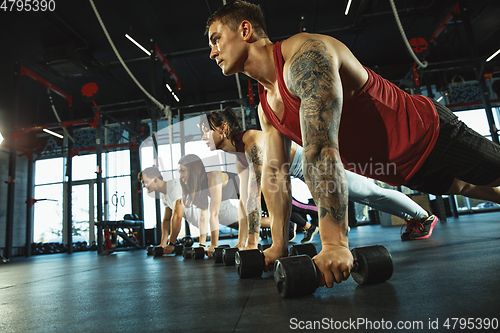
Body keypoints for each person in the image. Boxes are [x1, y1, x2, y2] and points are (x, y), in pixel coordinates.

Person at [205, 1, 500, 288]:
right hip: (403, 169)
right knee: (467, 187)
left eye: (216, 39)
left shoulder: (304, 55)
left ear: (245, 30)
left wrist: (334, 242)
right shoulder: (265, 108)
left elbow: (320, 149)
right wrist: (279, 246)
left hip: (430, 133)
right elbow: (276, 177)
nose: (211, 52)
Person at [201, 107, 436, 244]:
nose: (203, 138)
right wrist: (244, 244)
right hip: (308, 172)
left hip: (317, 164)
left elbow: (266, 191)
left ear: (223, 128)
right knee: (367, 196)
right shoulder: (239, 156)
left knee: (369, 194)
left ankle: (423, 217)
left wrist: (253, 243)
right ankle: (415, 218)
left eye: (206, 132)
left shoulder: (251, 140)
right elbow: (246, 202)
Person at [139, 166, 238, 255]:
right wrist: (163, 244)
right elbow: (166, 220)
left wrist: (171, 243)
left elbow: (177, 217)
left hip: (219, 208)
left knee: (246, 224)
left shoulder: (174, 186)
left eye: (145, 182)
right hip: (206, 216)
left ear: (155, 179)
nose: (143, 185)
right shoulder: (165, 196)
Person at [177, 154, 243, 256]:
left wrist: (213, 245)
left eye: (183, 171)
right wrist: (202, 245)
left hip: (254, 188)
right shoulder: (199, 186)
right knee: (251, 222)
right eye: (179, 172)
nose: (180, 176)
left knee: (257, 221)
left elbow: (214, 214)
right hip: (242, 195)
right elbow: (203, 216)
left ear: (193, 170)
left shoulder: (213, 178)